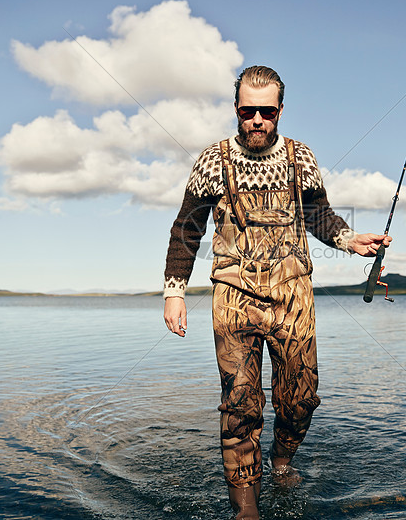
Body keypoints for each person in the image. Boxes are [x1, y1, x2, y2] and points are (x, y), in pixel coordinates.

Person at [162, 65, 390, 519]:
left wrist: (351, 240)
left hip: (293, 295)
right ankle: (246, 509)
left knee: (301, 398)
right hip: (233, 295)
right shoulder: (212, 160)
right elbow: (187, 229)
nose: (257, 121)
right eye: (249, 112)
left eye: (267, 111)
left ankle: (282, 459)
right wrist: (174, 291)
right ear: (237, 110)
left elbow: (320, 216)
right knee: (241, 403)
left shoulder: (300, 157)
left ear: (281, 110)